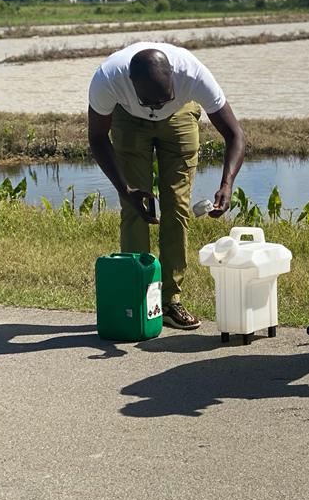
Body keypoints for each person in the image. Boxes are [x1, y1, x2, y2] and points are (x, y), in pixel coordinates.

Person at [88, 42, 245, 330]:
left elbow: (235, 134)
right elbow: (97, 138)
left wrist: (227, 184)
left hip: (180, 116)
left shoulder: (193, 74)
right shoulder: (108, 79)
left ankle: (170, 301)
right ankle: (137, 297)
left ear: (173, 76)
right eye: (151, 102)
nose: (156, 109)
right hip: (128, 118)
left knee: (177, 206)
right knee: (136, 208)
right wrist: (125, 189)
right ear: (131, 83)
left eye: (163, 99)